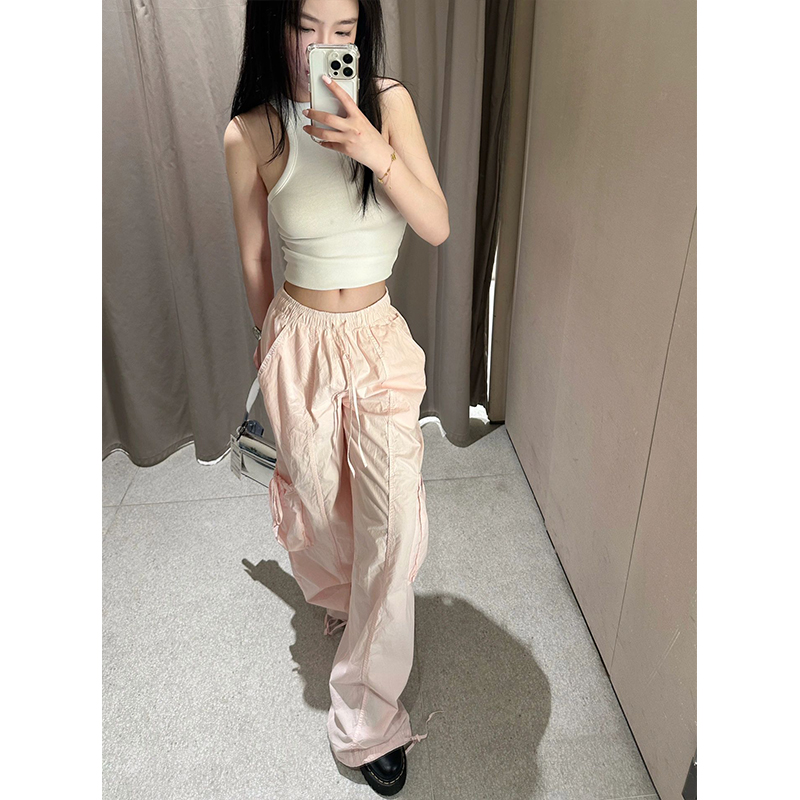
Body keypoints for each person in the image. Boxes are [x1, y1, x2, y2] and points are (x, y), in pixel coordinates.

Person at [223, 1, 448, 795]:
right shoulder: (251, 131)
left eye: (343, 31)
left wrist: (372, 149)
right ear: (272, 26)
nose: (323, 46)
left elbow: (436, 224)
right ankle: (341, 599)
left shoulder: (388, 103)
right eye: (304, 26)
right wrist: (271, 350)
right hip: (298, 340)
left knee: (393, 526)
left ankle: (367, 717)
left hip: (378, 340)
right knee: (322, 507)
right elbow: (256, 259)